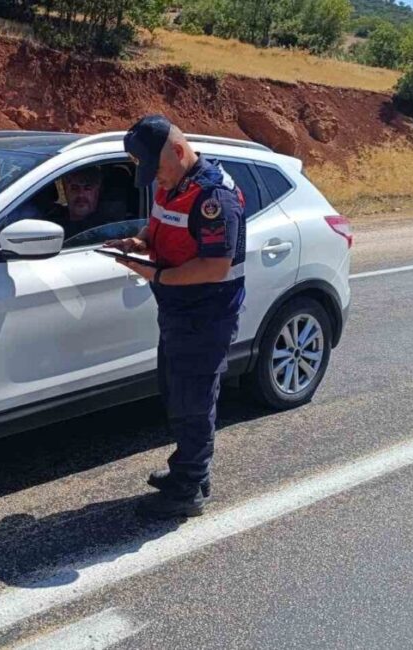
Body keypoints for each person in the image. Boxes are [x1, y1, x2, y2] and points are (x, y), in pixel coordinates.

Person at [106, 115, 246, 519]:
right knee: (175, 391)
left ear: (180, 152)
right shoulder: (174, 182)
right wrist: (139, 242)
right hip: (178, 308)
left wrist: (158, 275)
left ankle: (188, 490)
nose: (155, 180)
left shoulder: (212, 195)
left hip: (206, 311)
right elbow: (160, 224)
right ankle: (189, 471)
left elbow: (215, 266)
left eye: (158, 170)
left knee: (194, 401)